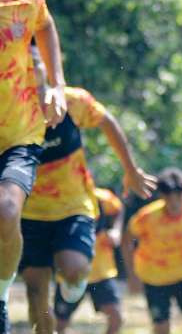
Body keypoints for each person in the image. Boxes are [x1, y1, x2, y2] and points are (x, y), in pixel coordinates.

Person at [20, 85, 157, 333]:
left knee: (73, 270)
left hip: (74, 206)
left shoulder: (71, 101)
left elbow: (107, 121)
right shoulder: (12, 106)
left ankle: (74, 283)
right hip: (29, 212)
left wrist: (130, 169)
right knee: (36, 295)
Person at [0, 0, 68, 332]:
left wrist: (57, 84)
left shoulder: (24, 1)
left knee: (7, 211)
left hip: (19, 133)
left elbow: (46, 26)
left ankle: (1, 293)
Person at [123, 167, 182, 334]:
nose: (175, 203)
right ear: (162, 196)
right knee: (161, 327)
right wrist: (132, 274)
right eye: (169, 198)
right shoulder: (147, 217)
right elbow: (126, 241)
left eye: (179, 197)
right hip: (153, 277)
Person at [54, 186, 127, 334]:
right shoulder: (61, 197)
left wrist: (116, 231)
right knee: (59, 323)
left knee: (116, 317)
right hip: (70, 272)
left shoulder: (102, 197)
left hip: (101, 271)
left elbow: (119, 209)